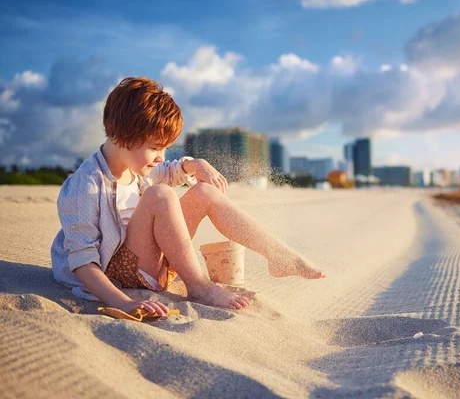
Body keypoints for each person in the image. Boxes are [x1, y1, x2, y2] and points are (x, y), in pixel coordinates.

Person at [51, 77, 326, 316]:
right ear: (124, 135)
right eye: (156, 147)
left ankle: (279, 256)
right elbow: (83, 262)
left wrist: (195, 164)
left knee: (203, 190)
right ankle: (199, 287)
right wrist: (122, 303)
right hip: (117, 277)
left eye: (166, 148)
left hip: (154, 266)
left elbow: (168, 171)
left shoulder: (138, 168)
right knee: (161, 195)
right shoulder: (86, 186)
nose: (160, 157)